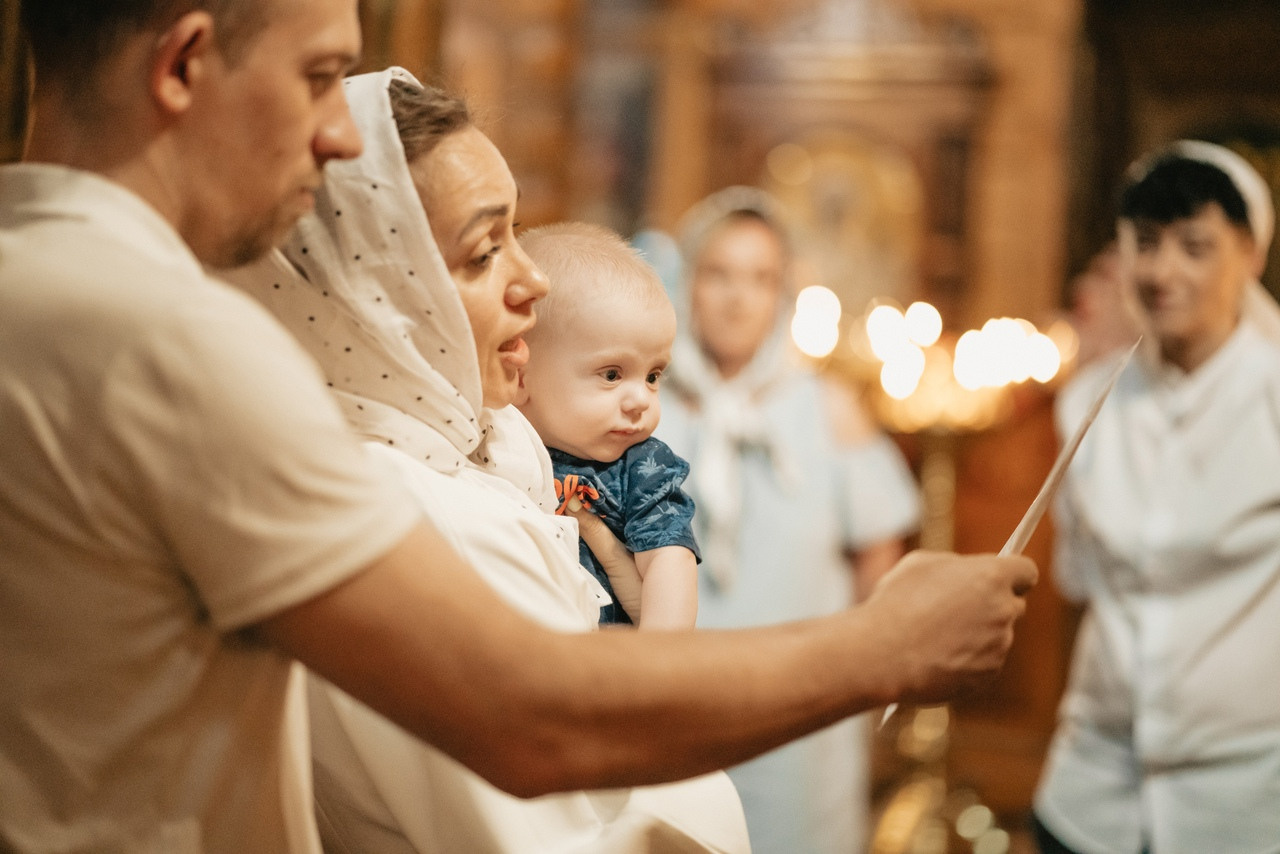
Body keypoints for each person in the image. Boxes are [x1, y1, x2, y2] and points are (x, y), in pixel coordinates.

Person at [1, 2, 1037, 851]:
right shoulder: (170, 341)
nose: (333, 133)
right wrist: (888, 642)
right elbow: (523, 716)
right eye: (320, 76)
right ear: (184, 64)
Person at [225, 68, 743, 852]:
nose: (533, 280)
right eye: (482, 252)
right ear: (375, 296)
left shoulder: (479, 455)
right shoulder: (419, 511)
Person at [657, 186, 923, 854]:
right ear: (688, 283)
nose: (738, 297)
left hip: (801, 712)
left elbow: (878, 562)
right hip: (676, 701)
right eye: (719, 274)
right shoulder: (648, 400)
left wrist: (858, 676)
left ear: (784, 294)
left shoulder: (829, 408)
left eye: (760, 278)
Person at [1032, 140, 1280, 854]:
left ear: (1251, 254)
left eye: (1195, 247)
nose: (1163, 271)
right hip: (1090, 793)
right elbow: (1077, 578)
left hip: (1240, 802)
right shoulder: (1087, 399)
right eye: (1145, 244)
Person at [516, 221, 698, 630]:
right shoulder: (497, 442)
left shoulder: (642, 468)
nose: (641, 400)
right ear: (521, 376)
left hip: (607, 667)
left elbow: (670, 560)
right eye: (612, 374)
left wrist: (661, 660)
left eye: (653, 376)